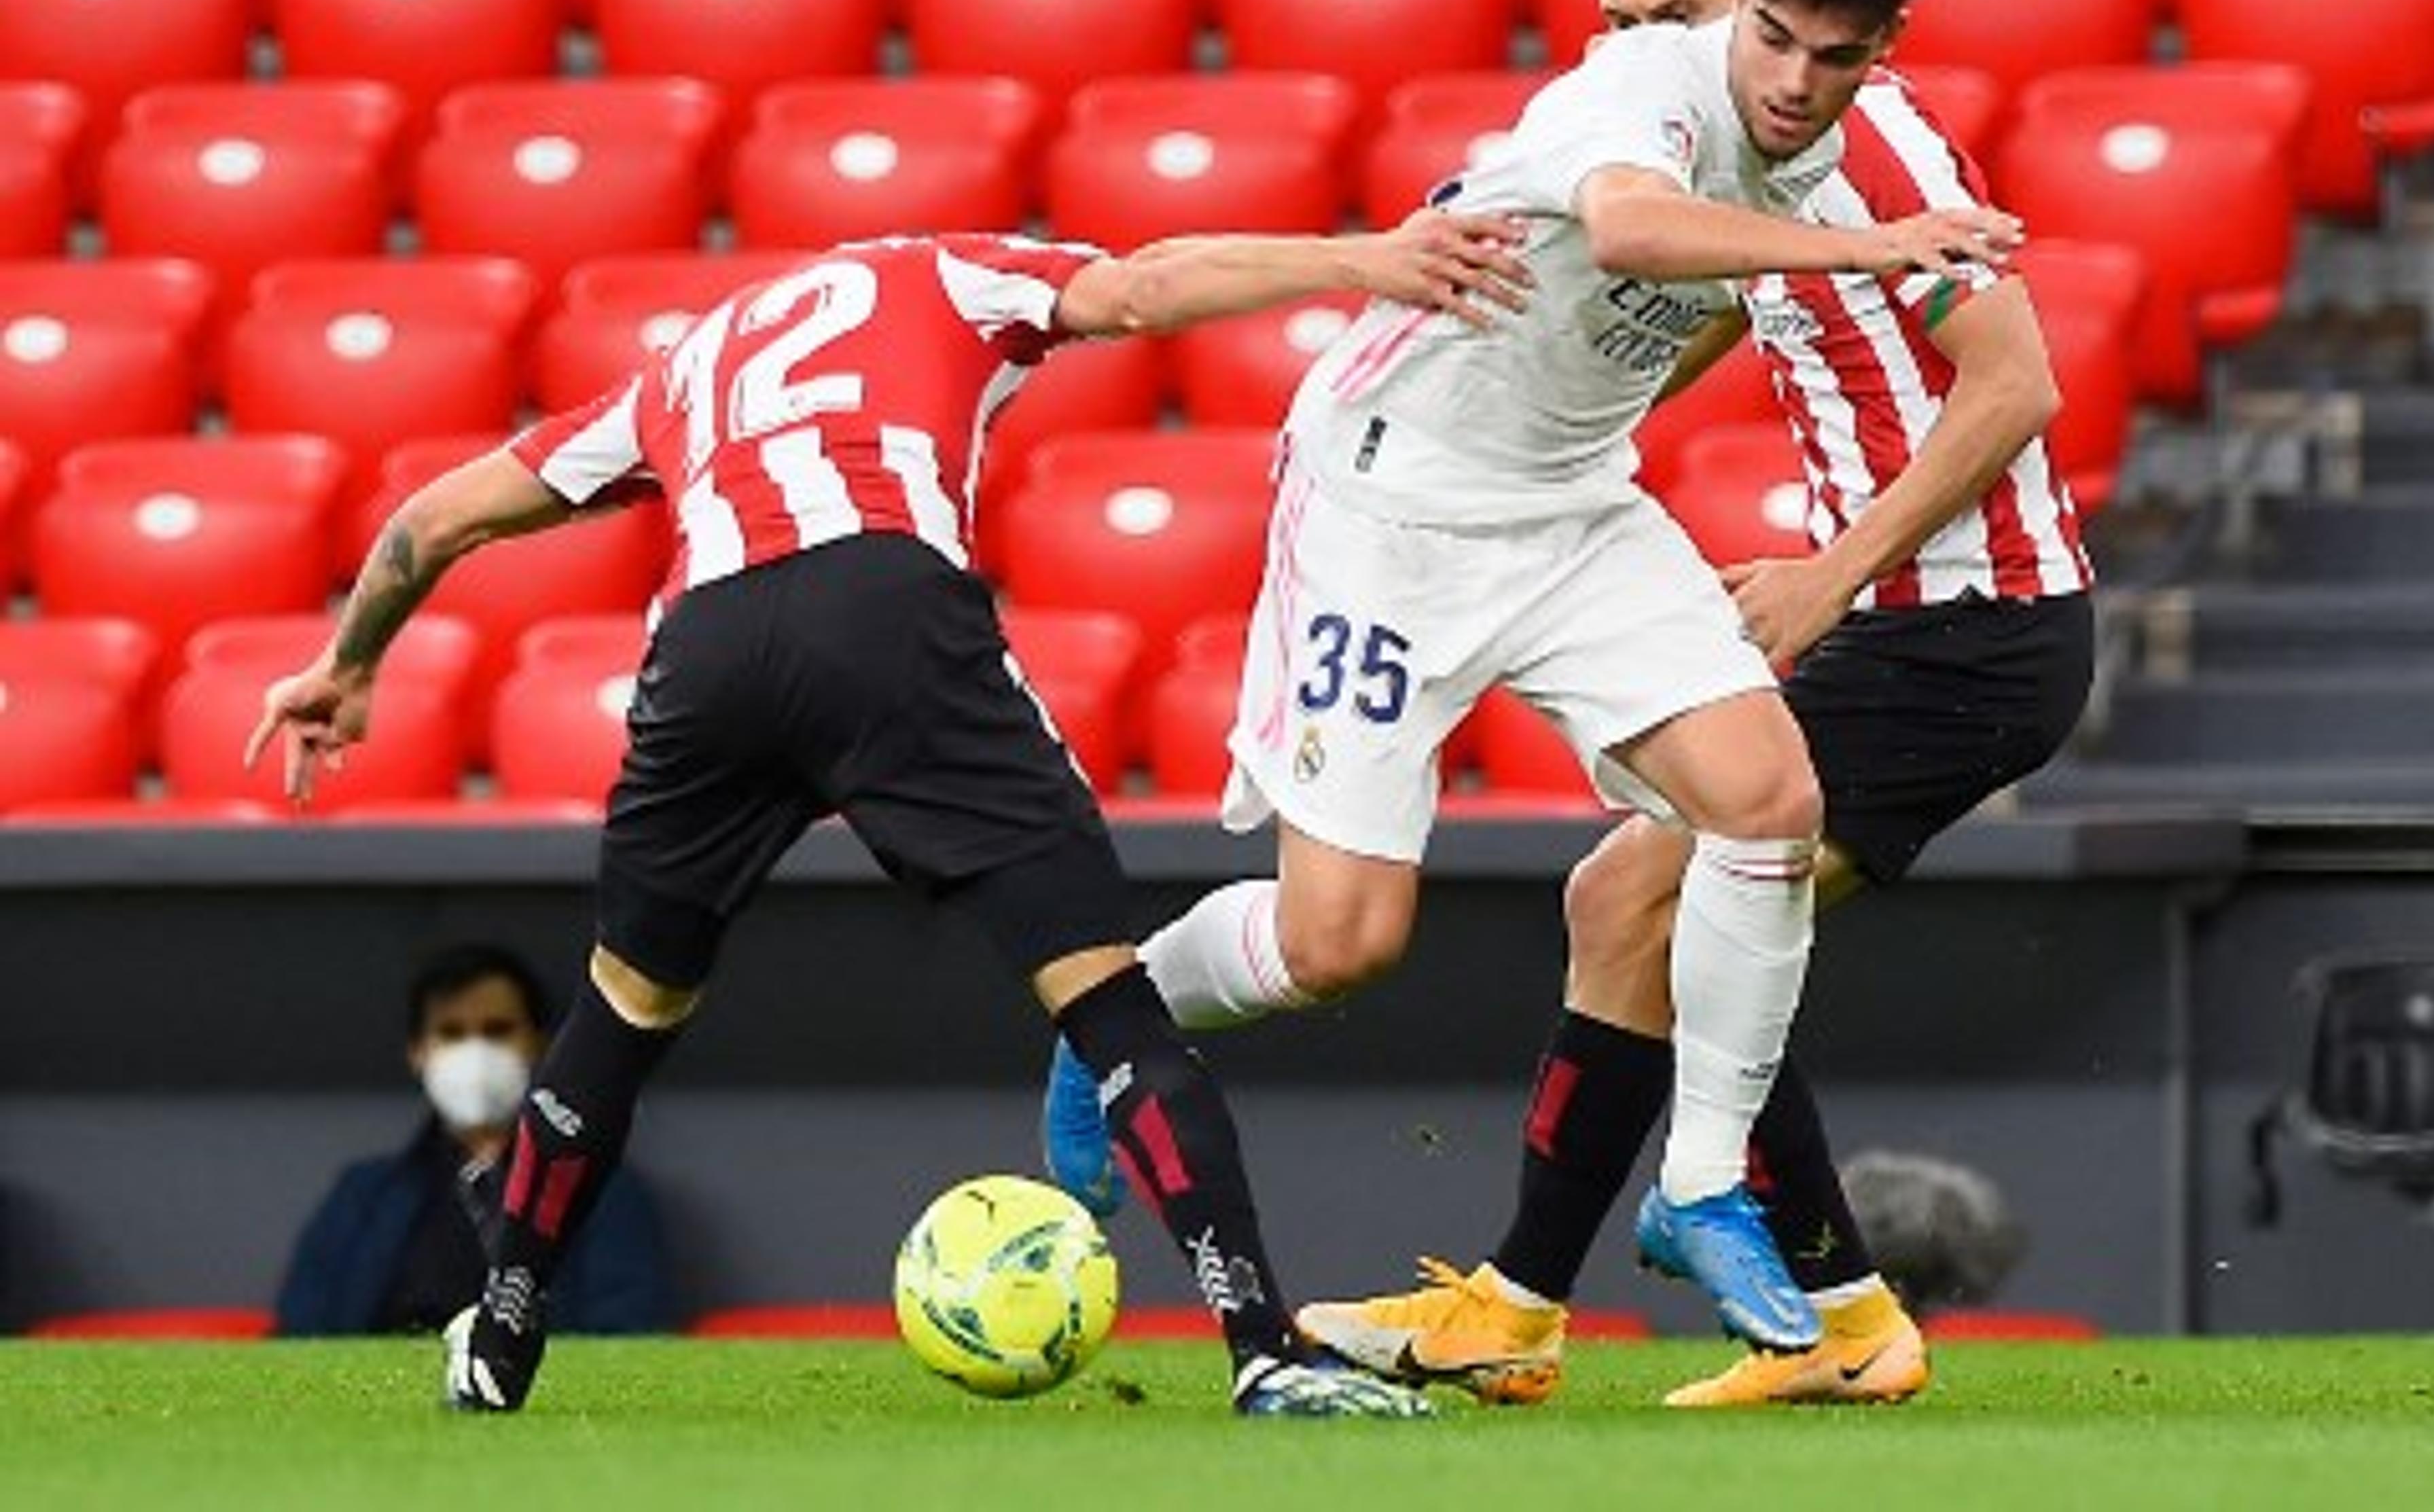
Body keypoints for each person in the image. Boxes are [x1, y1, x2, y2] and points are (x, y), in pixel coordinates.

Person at [245, 213, 1537, 1419]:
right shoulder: (943, 271)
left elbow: (438, 515)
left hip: (707, 650)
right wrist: (1364, 258)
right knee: (1105, 998)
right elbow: (1143, 289)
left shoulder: (687, 368)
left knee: (622, 1011)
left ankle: (502, 1332)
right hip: (884, 603)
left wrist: (350, 666)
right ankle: (1261, 1347)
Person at [1038, 0, 2028, 1376]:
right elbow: (1633, 235)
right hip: (1391, 505)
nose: (1794, 79)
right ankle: (1113, 1013)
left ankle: (1701, 1187)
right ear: (1736, 3)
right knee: (1339, 942)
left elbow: (1682, 313)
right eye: (1771, 35)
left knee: (1765, 800)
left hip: (1570, 506)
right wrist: (1873, 250)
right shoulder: (1641, 88)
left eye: (1837, 57)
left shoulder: (1823, 147)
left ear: (1881, 48)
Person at [1292, 0, 2094, 1409]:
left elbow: (2012, 383)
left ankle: (1539, 1310)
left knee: (1657, 904)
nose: (1636, 49)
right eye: (1617, 22)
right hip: (1924, 621)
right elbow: (1733, 296)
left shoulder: (1867, 141)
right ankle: (1823, 1317)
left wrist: (1828, 574)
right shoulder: (1729, 147)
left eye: (1668, 13)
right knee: (1659, 915)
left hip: (1967, 628)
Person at [276, 943, 673, 1337]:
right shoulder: (364, 1195)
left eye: (497, 1030)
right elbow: (300, 1335)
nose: (476, 1051)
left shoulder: (602, 1191)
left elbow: (631, 1333)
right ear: (417, 1052)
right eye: (451, 1033)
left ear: (538, 1043)